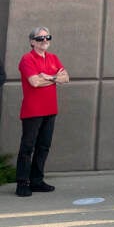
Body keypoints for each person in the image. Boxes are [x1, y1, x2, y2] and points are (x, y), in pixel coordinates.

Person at [15, 27, 70, 197]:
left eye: (47, 37)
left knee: (44, 146)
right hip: (33, 111)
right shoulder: (27, 59)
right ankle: (22, 183)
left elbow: (66, 78)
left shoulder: (53, 58)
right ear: (32, 42)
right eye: (40, 38)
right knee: (27, 147)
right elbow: (34, 82)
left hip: (50, 109)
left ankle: (37, 181)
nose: (45, 40)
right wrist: (55, 78)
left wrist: (48, 77)